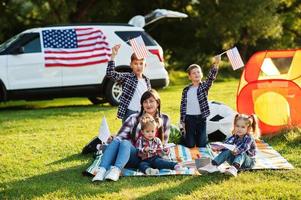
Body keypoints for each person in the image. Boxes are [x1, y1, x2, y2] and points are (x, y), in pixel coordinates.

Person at [92, 89, 170, 182]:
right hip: (136, 155)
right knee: (120, 141)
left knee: (119, 143)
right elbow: (120, 137)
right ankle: (103, 170)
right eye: (145, 102)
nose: (148, 104)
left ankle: (115, 167)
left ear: (157, 103)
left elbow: (164, 143)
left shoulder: (165, 118)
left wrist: (163, 150)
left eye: (151, 101)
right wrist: (113, 139)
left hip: (152, 158)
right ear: (142, 104)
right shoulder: (133, 118)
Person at [180, 56, 220, 148]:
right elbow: (183, 105)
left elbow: (210, 78)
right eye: (193, 73)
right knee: (190, 144)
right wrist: (182, 120)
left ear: (201, 74)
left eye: (198, 72)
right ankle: (185, 137)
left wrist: (215, 65)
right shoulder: (186, 90)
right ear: (189, 77)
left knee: (201, 144)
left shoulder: (203, 87)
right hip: (189, 118)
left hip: (201, 118)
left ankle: (202, 138)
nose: (196, 74)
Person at [107, 44, 151, 123]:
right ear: (131, 65)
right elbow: (110, 73)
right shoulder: (127, 77)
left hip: (144, 113)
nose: (138, 66)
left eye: (141, 63)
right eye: (135, 63)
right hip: (130, 113)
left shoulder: (147, 80)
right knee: (128, 134)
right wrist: (113, 55)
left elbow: (149, 98)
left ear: (145, 65)